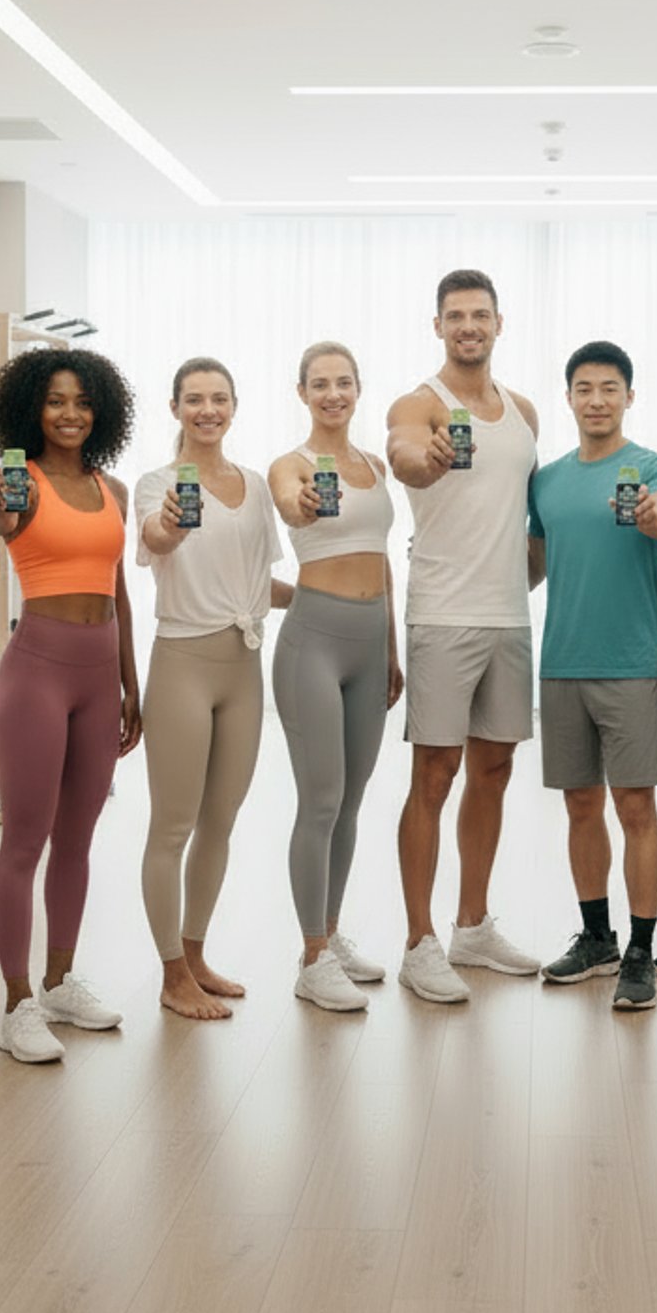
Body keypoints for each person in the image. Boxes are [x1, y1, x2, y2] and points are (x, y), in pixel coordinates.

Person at [0, 348, 141, 1064]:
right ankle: (16, 1005)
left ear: (98, 409)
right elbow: (0, 524)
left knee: (77, 841)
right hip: (38, 672)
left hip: (100, 674)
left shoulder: (116, 490)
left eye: (80, 401)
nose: (69, 413)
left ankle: (59, 979)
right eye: (54, 401)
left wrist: (132, 681)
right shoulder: (17, 485)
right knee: (24, 842)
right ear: (30, 412)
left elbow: (118, 589)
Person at [387, 268, 543, 1002]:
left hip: (509, 616)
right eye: (456, 316)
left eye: (480, 314)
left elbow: (524, 518)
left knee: (493, 771)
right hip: (443, 616)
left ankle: (471, 926)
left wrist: (524, 580)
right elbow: (403, 456)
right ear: (439, 325)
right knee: (435, 774)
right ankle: (419, 941)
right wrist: (428, 458)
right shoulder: (420, 404)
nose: (469, 326)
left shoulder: (524, 413)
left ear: (499, 322)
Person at [527, 341, 657, 1011]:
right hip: (561, 662)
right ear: (568, 397)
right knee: (580, 805)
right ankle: (597, 936)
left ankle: (641, 950)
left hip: (630, 665)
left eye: (609, 388)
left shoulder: (652, 467)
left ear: (628, 396)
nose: (596, 399)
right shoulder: (548, 480)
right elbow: (533, 566)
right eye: (584, 388)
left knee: (636, 807)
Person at [134, 357, 290, 1020]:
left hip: (244, 666)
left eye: (218, 398)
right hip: (182, 666)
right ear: (174, 408)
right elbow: (154, 538)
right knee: (172, 826)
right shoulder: (157, 484)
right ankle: (171, 974)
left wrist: (337, 602)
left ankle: (195, 956)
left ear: (234, 406)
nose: (207, 410)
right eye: (194, 399)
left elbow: (262, 583)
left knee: (219, 823)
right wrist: (172, 522)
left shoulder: (255, 487)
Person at [268, 342, 403, 1012]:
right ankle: (312, 956)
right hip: (313, 642)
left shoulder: (376, 466)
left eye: (343, 383)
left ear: (358, 388)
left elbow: (384, 565)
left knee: (350, 803)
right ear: (302, 393)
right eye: (319, 384)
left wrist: (393, 650)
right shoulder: (290, 467)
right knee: (320, 800)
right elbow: (293, 508)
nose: (332, 394)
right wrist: (304, 506)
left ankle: (332, 930)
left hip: (370, 641)